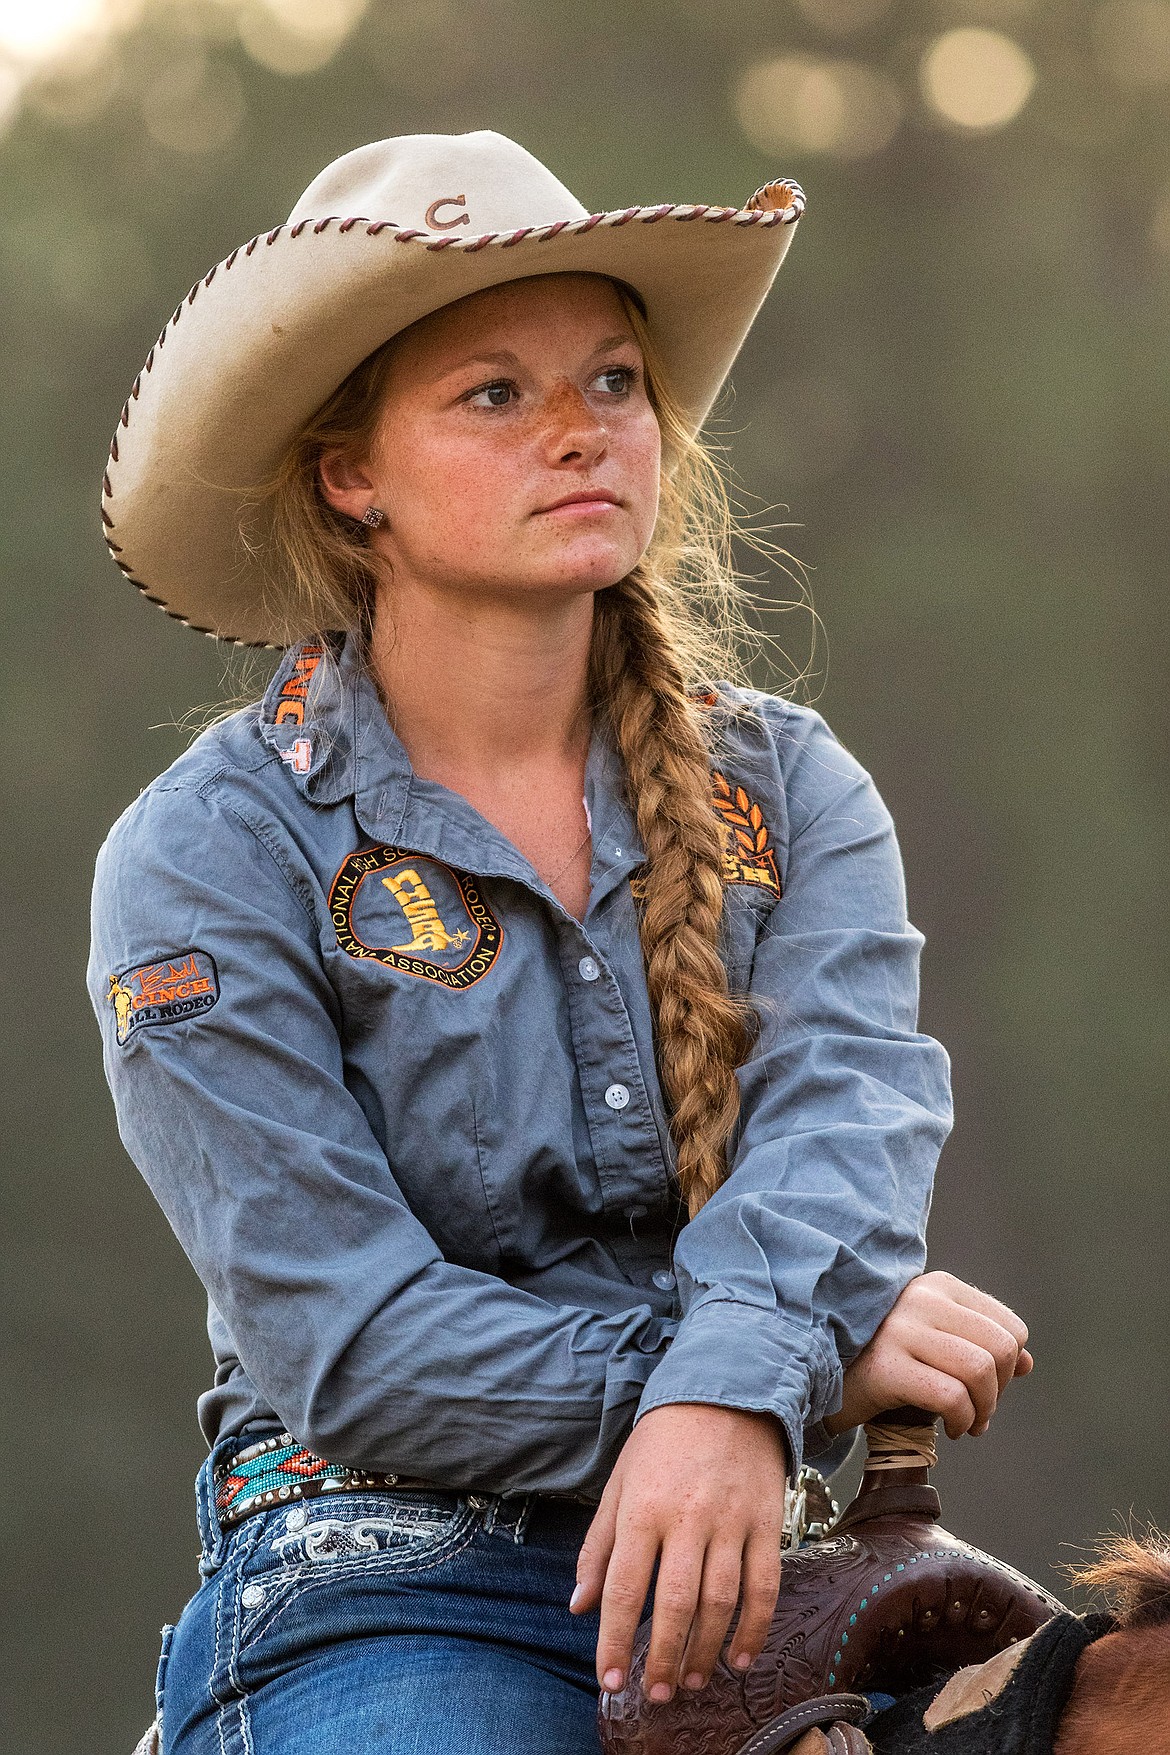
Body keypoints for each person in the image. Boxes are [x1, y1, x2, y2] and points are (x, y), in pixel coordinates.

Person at [89, 132, 1030, 1755]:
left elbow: (847, 1127)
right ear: (349, 475)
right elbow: (355, 1343)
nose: (583, 432)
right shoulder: (211, 854)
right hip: (384, 1570)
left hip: (759, 1560)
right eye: (494, 395)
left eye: (610, 380)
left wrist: (733, 1404)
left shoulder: (790, 790)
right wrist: (766, 1382)